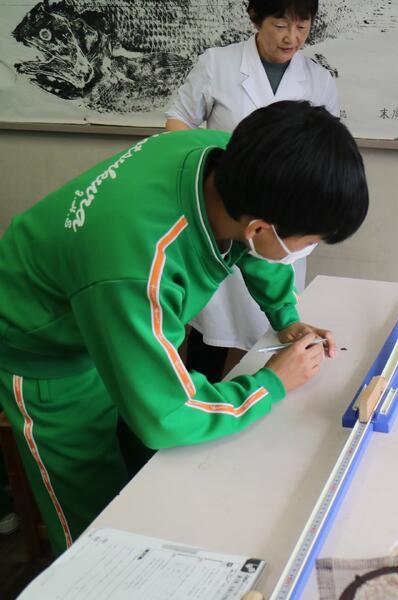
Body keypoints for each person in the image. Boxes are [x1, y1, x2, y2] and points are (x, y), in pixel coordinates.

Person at [0, 101, 368, 555]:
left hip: (109, 306)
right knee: (93, 521)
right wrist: (271, 384)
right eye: (309, 242)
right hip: (46, 353)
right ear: (259, 228)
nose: (308, 250)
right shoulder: (138, 267)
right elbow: (166, 414)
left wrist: (285, 316)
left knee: (151, 473)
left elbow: (253, 249)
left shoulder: (227, 159)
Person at [166, 0, 337, 379]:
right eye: (280, 25)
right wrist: (200, 171)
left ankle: (269, 392)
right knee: (212, 331)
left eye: (302, 26)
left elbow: (325, 151)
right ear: (257, 18)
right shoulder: (218, 64)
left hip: (282, 221)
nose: (292, 38)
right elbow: (178, 121)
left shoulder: (319, 80)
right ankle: (206, 395)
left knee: (278, 322)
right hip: (223, 217)